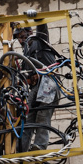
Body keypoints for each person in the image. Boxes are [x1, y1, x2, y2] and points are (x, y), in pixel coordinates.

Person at [15, 16, 60, 152]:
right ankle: (21, 148)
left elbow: (42, 29)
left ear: (29, 33)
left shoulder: (40, 42)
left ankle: (40, 146)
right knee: (27, 117)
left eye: (23, 36)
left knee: (42, 115)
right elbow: (26, 79)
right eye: (19, 37)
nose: (21, 40)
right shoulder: (25, 56)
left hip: (49, 84)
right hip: (35, 88)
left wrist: (37, 17)